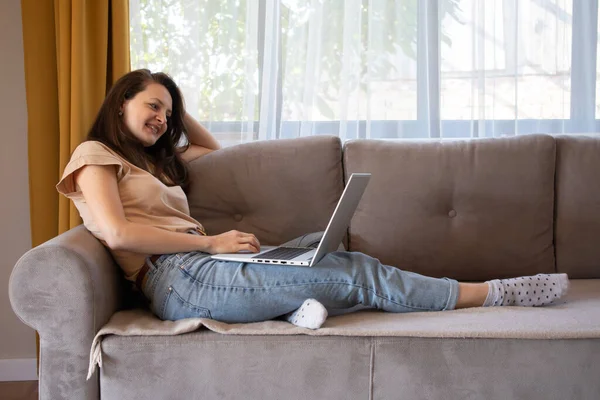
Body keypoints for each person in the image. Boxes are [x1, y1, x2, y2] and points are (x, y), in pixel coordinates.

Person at [57, 69, 570, 330]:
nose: (162, 120)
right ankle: (493, 294)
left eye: (167, 114)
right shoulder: (94, 154)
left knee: (332, 253)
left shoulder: (158, 164)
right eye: (152, 106)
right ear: (120, 101)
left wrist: (172, 94)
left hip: (200, 264)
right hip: (176, 277)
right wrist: (212, 242)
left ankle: (294, 307)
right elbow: (119, 233)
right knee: (356, 276)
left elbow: (213, 152)